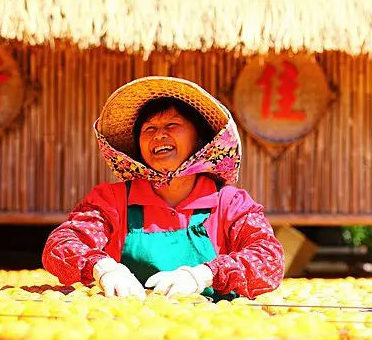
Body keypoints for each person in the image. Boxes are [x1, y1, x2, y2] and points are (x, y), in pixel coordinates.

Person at [42, 76, 285, 300]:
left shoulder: (230, 204)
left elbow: (269, 259)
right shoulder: (112, 200)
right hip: (125, 331)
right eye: (149, 129)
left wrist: (204, 275)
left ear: (200, 139)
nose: (159, 135)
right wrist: (101, 268)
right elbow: (61, 244)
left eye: (172, 125)